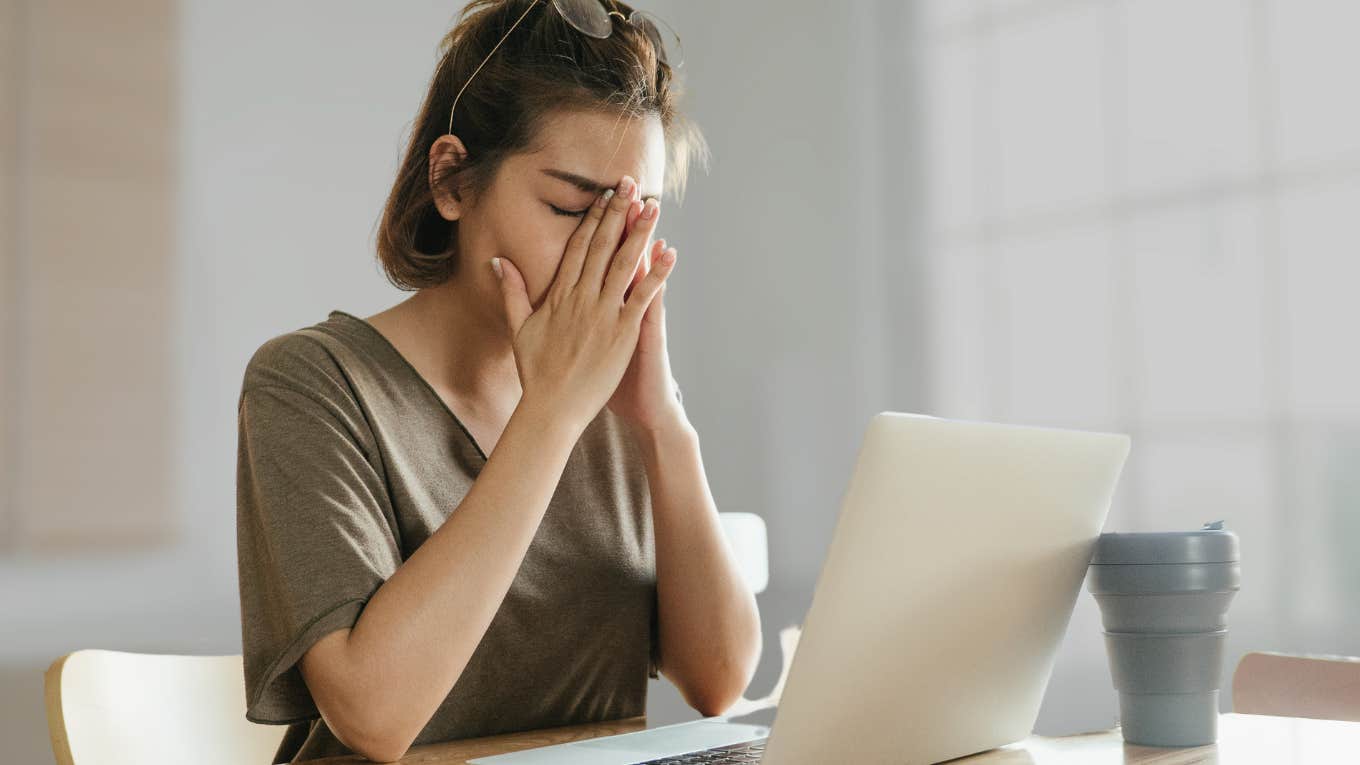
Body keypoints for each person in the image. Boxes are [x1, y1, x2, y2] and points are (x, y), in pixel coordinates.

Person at [234, 1, 762, 762]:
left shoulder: (612, 400)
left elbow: (717, 678)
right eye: (571, 208)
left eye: (631, 220)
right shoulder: (312, 381)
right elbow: (374, 716)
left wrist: (663, 422)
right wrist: (549, 415)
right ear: (451, 182)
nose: (603, 255)